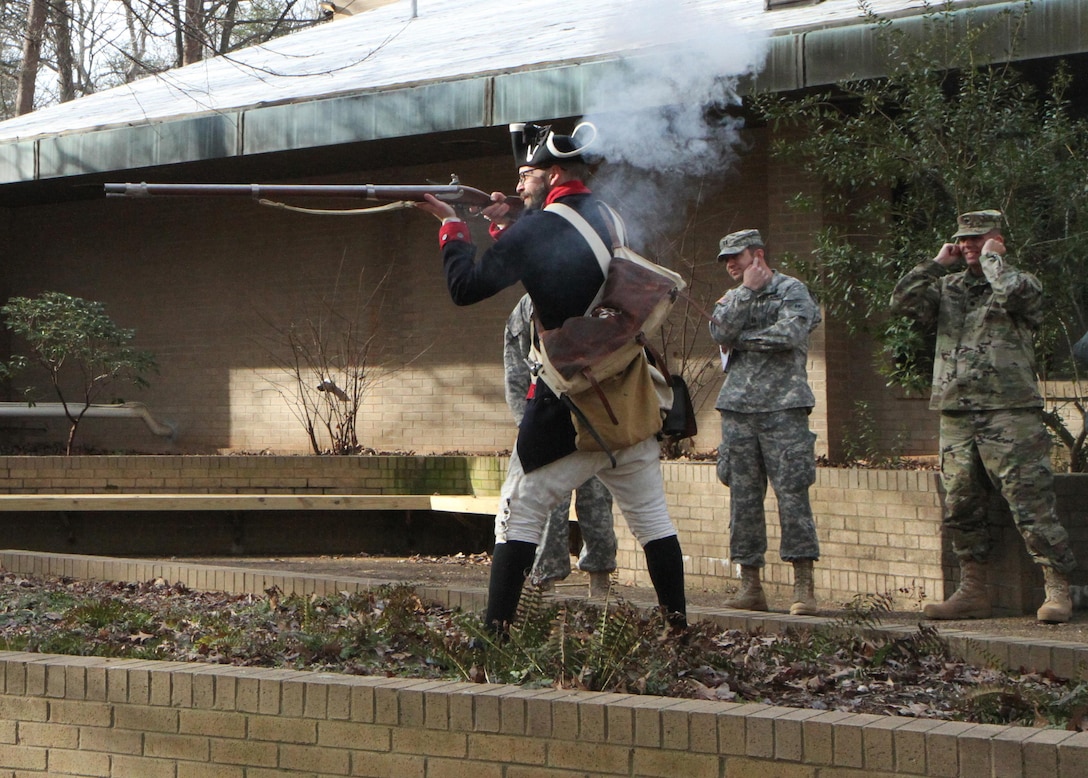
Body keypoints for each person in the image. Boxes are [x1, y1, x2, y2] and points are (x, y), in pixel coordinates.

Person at [416, 121, 687, 632]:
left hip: (568, 402)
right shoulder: (608, 214)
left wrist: (452, 224)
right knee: (654, 523)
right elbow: (563, 264)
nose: (518, 186)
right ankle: (680, 633)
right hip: (626, 393)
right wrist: (509, 225)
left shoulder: (539, 228)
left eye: (526, 175)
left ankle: (493, 638)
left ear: (553, 172)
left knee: (516, 515)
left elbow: (465, 287)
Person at [890, 209, 1077, 623]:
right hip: (957, 412)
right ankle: (974, 590)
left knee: (1029, 499)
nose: (969, 245)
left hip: (1009, 411)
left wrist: (994, 261)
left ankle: (1057, 588)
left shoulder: (1019, 282)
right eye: (964, 238)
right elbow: (901, 302)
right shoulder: (948, 287)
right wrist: (938, 263)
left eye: (979, 238)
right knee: (961, 504)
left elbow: (1018, 298)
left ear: (997, 240)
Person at [709, 229, 822, 616]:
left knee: (792, 495)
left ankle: (803, 587)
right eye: (726, 260)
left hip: (783, 409)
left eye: (736, 256)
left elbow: (789, 335)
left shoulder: (793, 291)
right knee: (743, 500)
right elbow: (719, 331)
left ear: (758, 255)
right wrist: (745, 293)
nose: (730, 264)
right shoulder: (733, 297)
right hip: (738, 412)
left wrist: (741, 340)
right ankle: (750, 585)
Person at [503, 293, 617, 596]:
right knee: (549, 504)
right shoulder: (526, 308)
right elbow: (516, 368)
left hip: (592, 415)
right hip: (547, 414)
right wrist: (523, 422)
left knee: (597, 501)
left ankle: (600, 581)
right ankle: (545, 583)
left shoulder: (597, 295)